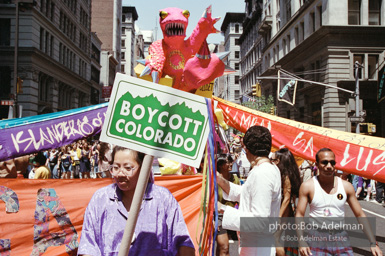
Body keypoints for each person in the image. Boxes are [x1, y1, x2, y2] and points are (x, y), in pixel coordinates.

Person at [78, 146, 195, 255]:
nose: (120, 173)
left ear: (143, 168)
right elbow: (88, 247)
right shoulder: (100, 199)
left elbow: (184, 243)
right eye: (115, 167)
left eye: (128, 168)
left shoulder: (163, 198)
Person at [296, 148, 382, 256]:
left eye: (332, 162)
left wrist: (373, 243)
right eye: (324, 162)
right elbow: (299, 214)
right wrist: (301, 241)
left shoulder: (346, 186)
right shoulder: (308, 186)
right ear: (316, 164)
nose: (329, 166)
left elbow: (360, 214)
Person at [216, 125, 281, 256]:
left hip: (258, 249)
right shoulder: (266, 168)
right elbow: (246, 193)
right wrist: (218, 179)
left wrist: (223, 209)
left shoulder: (262, 173)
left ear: (247, 148)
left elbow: (259, 221)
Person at [270, 148, 301, 256]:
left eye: (275, 160)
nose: (272, 162)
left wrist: (278, 217)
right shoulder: (287, 174)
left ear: (281, 161)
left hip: (285, 212)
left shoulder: (286, 176)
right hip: (287, 211)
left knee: (275, 238)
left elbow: (287, 199)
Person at [215, 157, 240, 256]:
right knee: (224, 247)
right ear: (221, 166)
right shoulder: (214, 179)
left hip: (233, 215)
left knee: (222, 249)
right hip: (219, 216)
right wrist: (214, 219)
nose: (231, 164)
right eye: (228, 162)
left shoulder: (235, 179)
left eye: (231, 161)